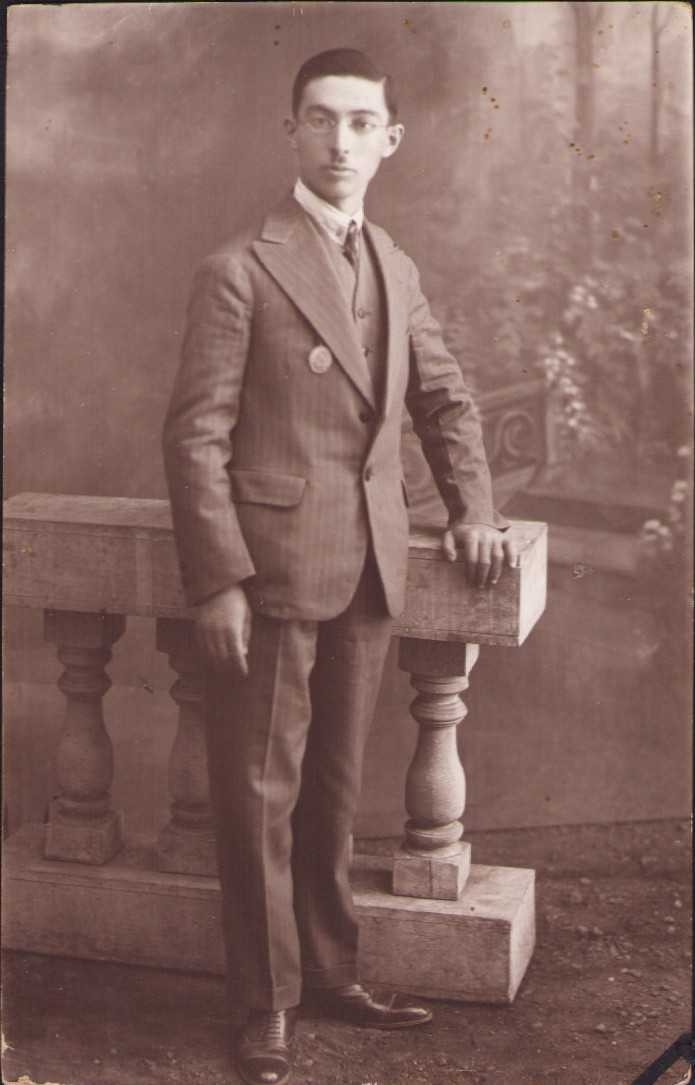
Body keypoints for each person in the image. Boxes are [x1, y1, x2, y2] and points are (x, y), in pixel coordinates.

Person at [163, 47, 517, 1085]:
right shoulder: (240, 267)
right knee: (258, 794)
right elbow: (195, 436)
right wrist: (218, 579)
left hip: (366, 567)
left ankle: (328, 973)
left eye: (361, 123)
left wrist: (474, 509)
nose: (340, 141)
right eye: (320, 119)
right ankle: (264, 1004)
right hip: (271, 572)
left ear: (389, 141)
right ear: (291, 132)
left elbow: (443, 398)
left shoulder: (392, 264)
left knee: (334, 789)